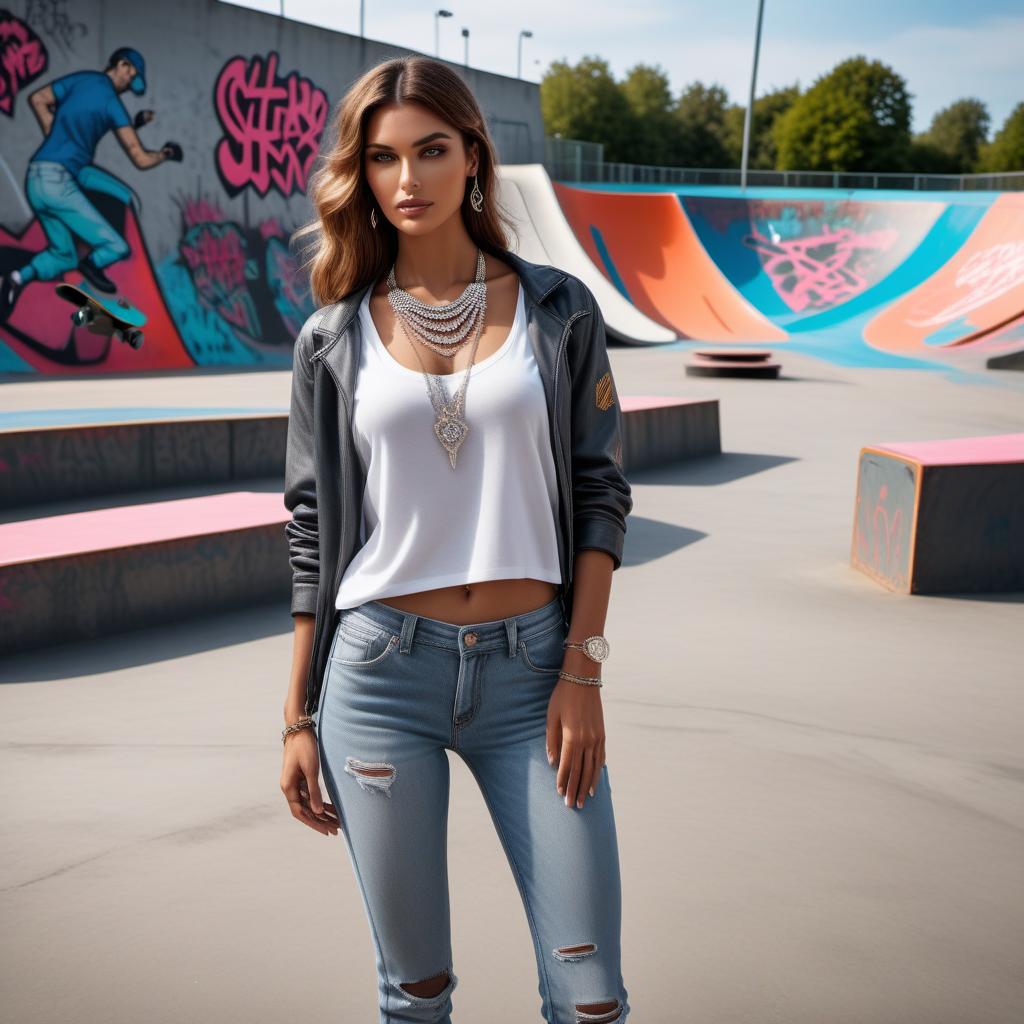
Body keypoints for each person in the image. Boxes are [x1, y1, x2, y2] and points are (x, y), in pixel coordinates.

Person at [280, 55, 633, 1024]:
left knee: (590, 991)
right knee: (417, 990)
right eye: (384, 157)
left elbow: (602, 493)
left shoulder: (559, 309)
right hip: (380, 673)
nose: (408, 180)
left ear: (473, 155)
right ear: (362, 173)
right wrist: (297, 715)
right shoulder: (332, 337)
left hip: (535, 676)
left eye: (431, 150)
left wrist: (583, 667)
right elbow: (311, 534)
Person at [0, 47, 182, 322]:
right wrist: (165, 154)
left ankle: (13, 279)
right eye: (129, 76)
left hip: (35, 179)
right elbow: (140, 159)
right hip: (58, 183)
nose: (127, 85)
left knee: (63, 256)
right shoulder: (111, 104)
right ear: (121, 65)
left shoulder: (81, 80)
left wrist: (55, 136)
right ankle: (92, 265)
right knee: (116, 246)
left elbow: (38, 99)